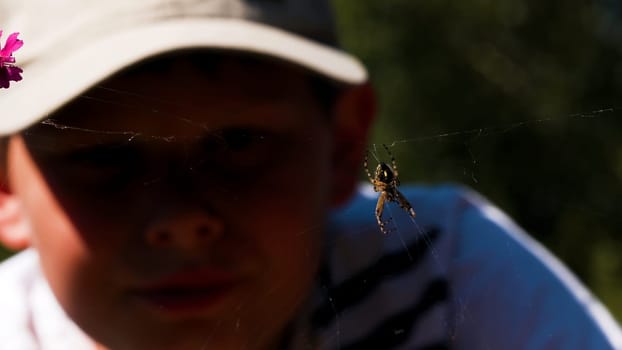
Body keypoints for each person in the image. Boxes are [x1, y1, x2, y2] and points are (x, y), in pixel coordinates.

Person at [0, 0, 620, 349]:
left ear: (344, 146)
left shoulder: (440, 262)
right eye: (106, 155)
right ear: (7, 188)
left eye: (239, 143)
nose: (184, 221)